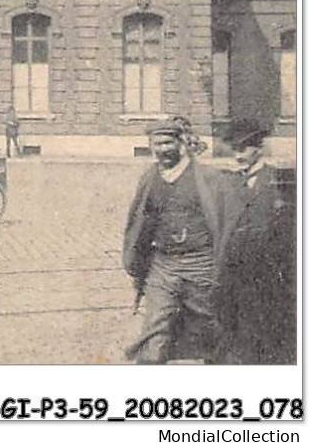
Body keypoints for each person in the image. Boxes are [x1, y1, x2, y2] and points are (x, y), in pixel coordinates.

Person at [122, 119, 236, 363]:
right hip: (164, 264)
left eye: (167, 143)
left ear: (181, 143)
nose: (162, 150)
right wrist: (136, 264)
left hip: (201, 263)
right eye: (156, 144)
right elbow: (140, 223)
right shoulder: (149, 179)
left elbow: (225, 221)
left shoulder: (208, 178)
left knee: (211, 326)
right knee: (155, 328)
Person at [214, 118, 295, 364]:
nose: (238, 154)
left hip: (269, 273)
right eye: (235, 148)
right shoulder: (227, 181)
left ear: (258, 148)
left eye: (244, 148)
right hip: (233, 271)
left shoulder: (279, 181)